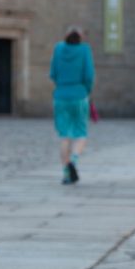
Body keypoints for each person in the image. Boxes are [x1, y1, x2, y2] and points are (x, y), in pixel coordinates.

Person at [49, 25, 95, 184]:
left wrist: (61, 85)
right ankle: (73, 162)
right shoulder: (84, 50)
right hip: (79, 95)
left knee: (64, 136)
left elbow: (52, 74)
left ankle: (66, 173)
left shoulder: (58, 48)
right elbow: (89, 76)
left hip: (60, 96)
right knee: (80, 134)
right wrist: (86, 91)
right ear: (80, 37)